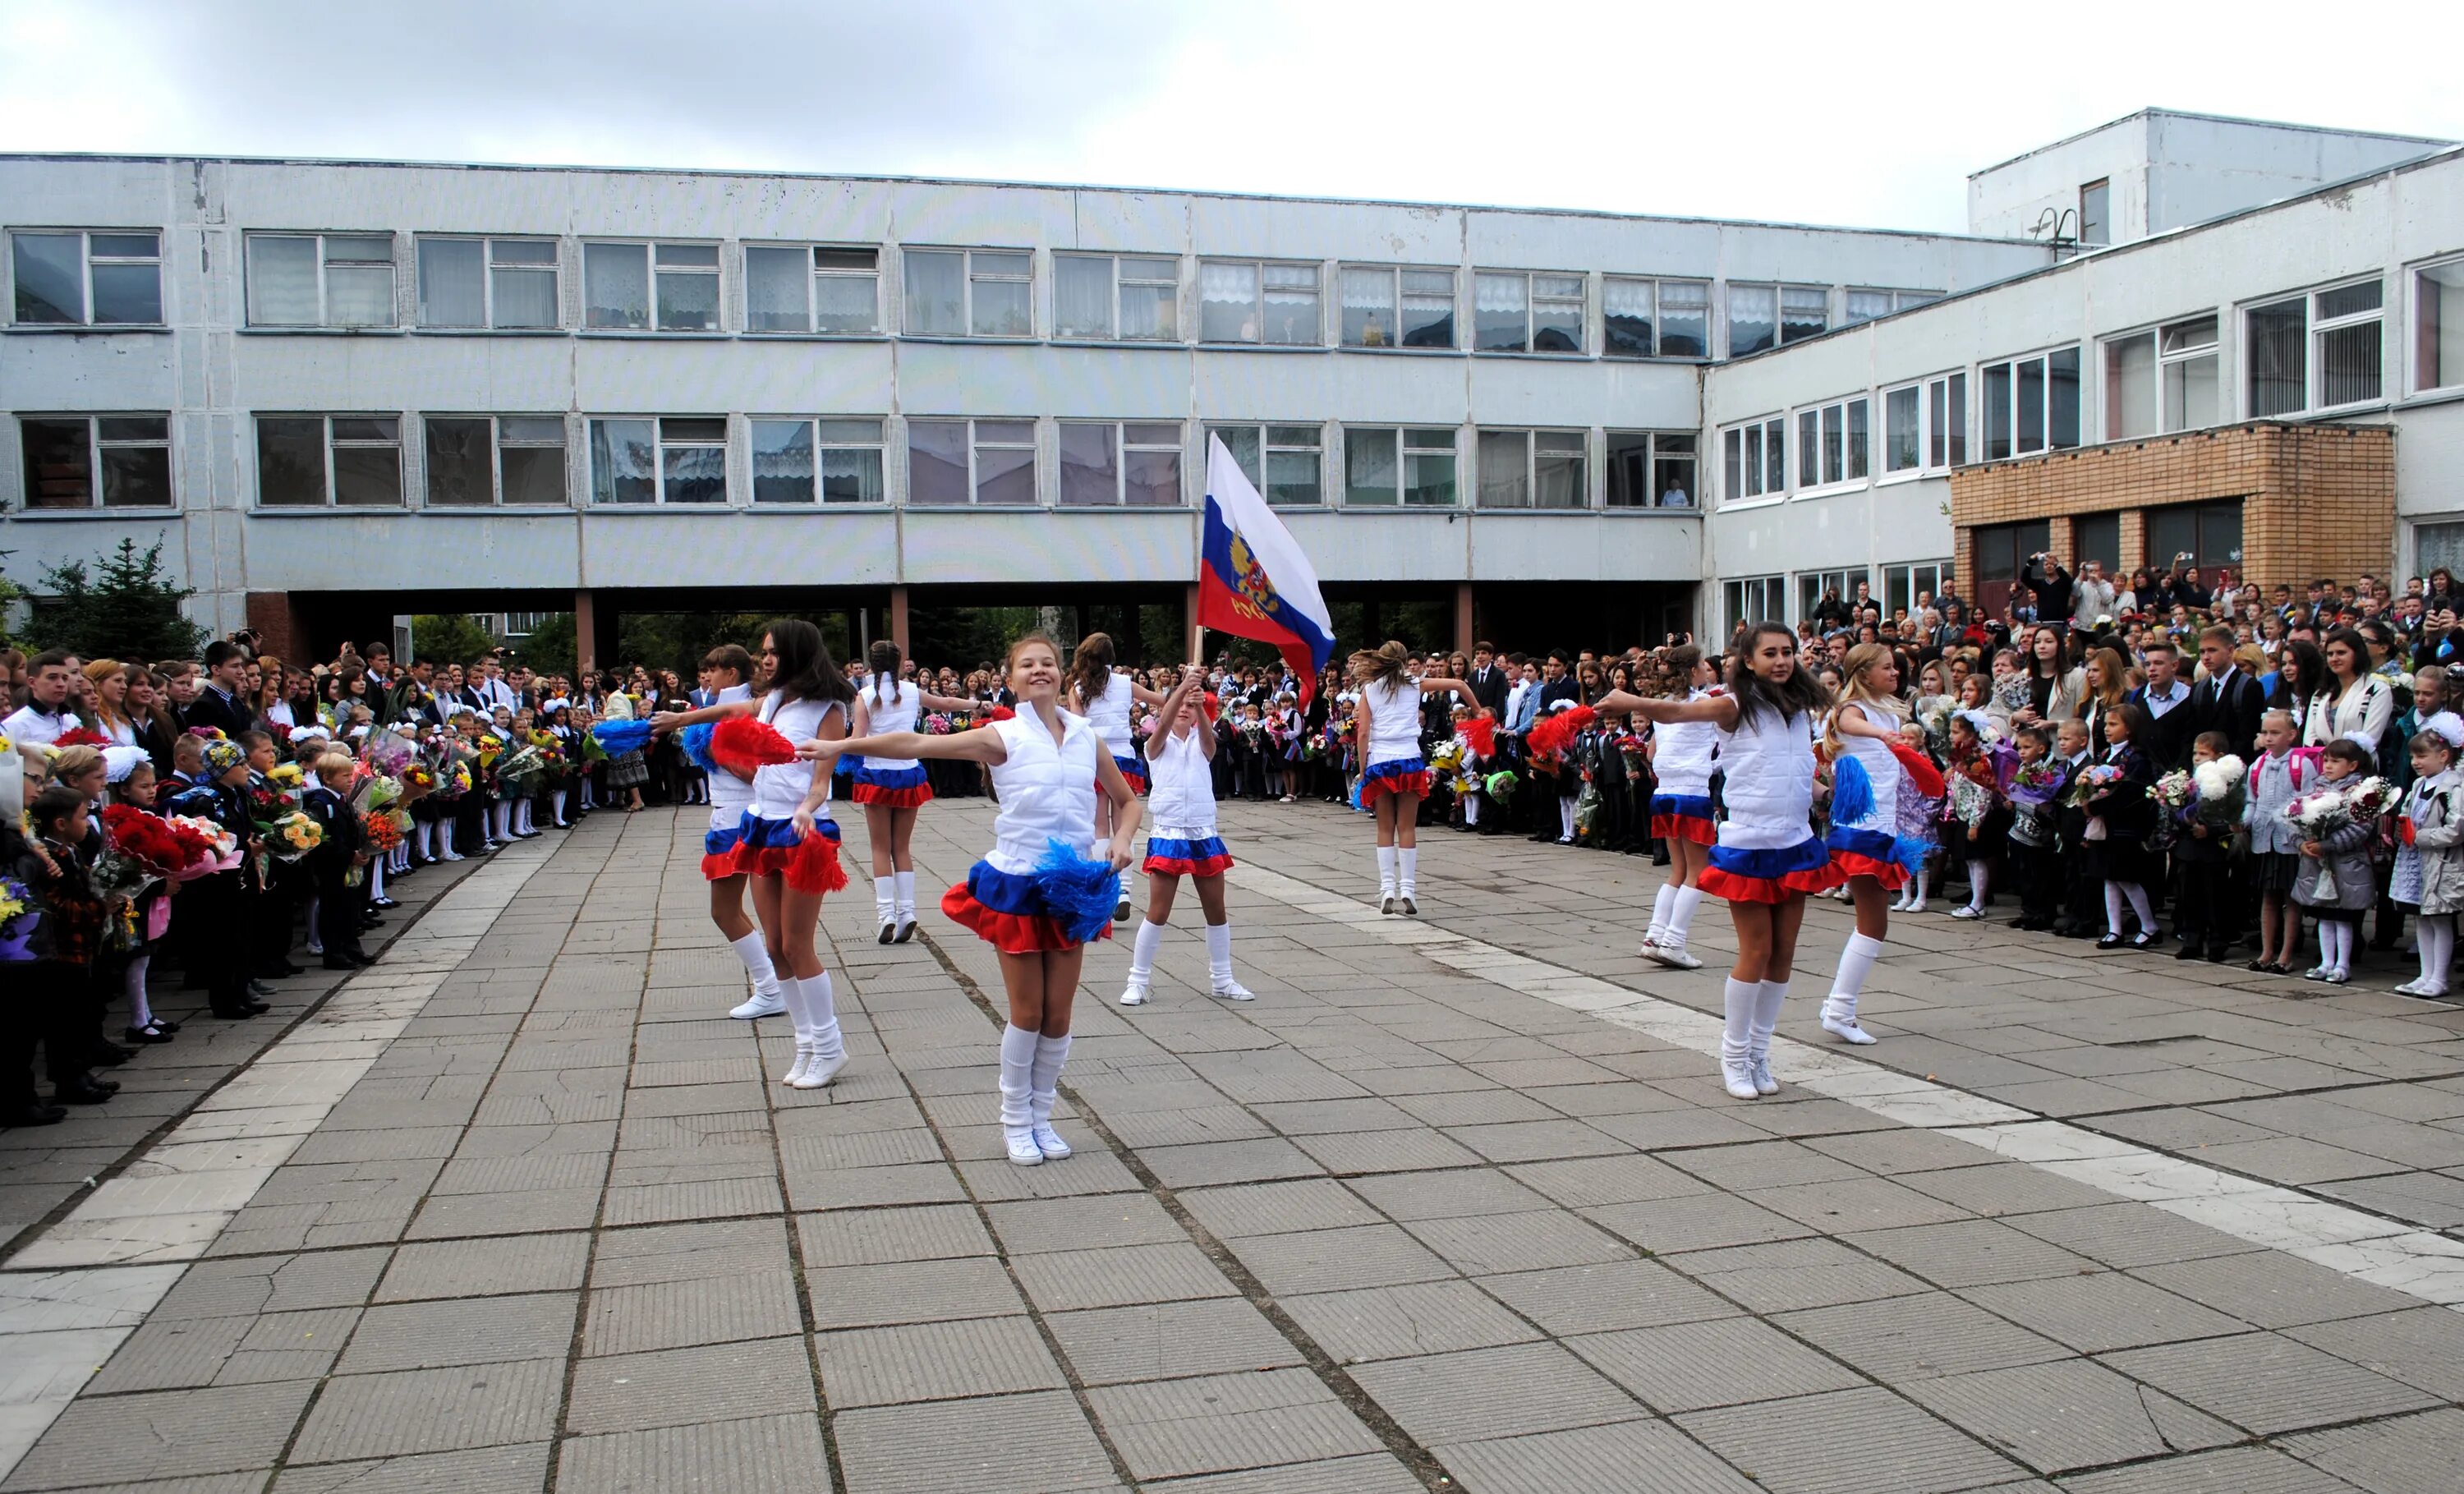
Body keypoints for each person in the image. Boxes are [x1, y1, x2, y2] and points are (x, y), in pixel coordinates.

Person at [804, 632, 1142, 1166]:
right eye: (1026, 664)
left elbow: (1126, 802)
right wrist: (843, 746)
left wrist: (1122, 841)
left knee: (1060, 1013)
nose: (1039, 670)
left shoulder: (1084, 735)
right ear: (1009, 680)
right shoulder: (1001, 736)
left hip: (1075, 885)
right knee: (1028, 1011)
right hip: (1019, 885)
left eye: (1048, 662)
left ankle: (1043, 1115)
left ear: (1062, 674)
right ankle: (1015, 1121)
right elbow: (914, 744)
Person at [1597, 623, 1839, 1101]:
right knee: (1756, 951)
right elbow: (1679, 710)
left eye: (1788, 651)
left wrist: (1829, 793)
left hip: (1795, 843)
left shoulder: (1796, 712)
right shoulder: (1734, 705)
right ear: (1748, 661)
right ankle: (1733, 1053)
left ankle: (1760, 1052)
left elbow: (1797, 771)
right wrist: (1633, 703)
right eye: (1770, 652)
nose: (1782, 660)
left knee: (1783, 955)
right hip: (1748, 845)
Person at [725, 622, 853, 1089]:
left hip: (803, 830)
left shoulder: (830, 709)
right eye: (764, 652)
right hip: (761, 824)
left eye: (775, 652)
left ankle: (830, 1045)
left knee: (799, 945)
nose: (766, 660)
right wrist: (682, 724)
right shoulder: (775, 701)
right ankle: (805, 1046)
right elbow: (737, 725)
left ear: (799, 653)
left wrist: (806, 809)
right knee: (775, 945)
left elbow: (822, 782)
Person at [649, 646, 785, 1019]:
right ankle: (777, 985)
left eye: (713, 670)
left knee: (730, 910)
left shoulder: (741, 710)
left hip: (742, 819)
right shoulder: (720, 706)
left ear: (733, 674)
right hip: (730, 816)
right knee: (743, 911)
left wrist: (723, 754)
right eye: (704, 670)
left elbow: (758, 771)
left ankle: (773, 987)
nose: (705, 677)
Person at [1119, 650, 1253, 1006]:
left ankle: (1223, 979)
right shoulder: (1155, 745)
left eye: (1189, 709)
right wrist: (1185, 685)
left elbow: (1210, 743)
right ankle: (1138, 980)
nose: (1183, 711)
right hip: (1169, 833)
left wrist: (1200, 704)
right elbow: (1162, 724)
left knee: (1216, 910)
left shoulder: (1202, 742)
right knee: (1158, 911)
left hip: (1203, 832)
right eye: (1178, 707)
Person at [1815, 643, 1924, 1045]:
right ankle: (1840, 1009)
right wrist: (1883, 735)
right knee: (1873, 924)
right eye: (1885, 667)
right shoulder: (1853, 710)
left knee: (1875, 923)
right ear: (1863, 672)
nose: (1894, 672)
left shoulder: (1883, 709)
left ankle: (1839, 1008)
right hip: (1862, 830)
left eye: (1895, 667)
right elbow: (1849, 720)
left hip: (1880, 827)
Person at [850, 639, 981, 944]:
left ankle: (886, 914)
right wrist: (977, 704)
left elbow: (856, 739)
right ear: (899, 664)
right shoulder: (911, 691)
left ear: (871, 665)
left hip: (875, 774)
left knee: (879, 849)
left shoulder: (865, 695)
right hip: (909, 772)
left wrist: (834, 748)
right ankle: (907, 911)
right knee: (902, 848)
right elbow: (946, 704)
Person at [1349, 641, 1473, 915]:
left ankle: (1386, 889)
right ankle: (1409, 889)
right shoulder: (1416, 683)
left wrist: (1362, 768)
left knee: (1384, 828)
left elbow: (1363, 734)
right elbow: (1461, 686)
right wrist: (1479, 710)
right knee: (1407, 827)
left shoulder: (1370, 689)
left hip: (1380, 761)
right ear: (1406, 661)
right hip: (1409, 760)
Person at [1065, 632, 1168, 922]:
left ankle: (1103, 890)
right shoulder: (1126, 683)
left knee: (1098, 825)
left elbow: (1077, 727)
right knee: (1122, 826)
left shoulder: (1078, 688)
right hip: (1124, 758)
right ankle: (1124, 890)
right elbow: (1162, 700)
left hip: (1095, 758)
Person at [1640, 645, 1717, 970]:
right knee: (1698, 872)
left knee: (1678, 870)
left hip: (1665, 793)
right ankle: (1674, 940)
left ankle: (1655, 935)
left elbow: (1650, 755)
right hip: (1691, 792)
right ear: (1694, 671)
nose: (1706, 668)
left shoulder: (1663, 707)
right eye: (1703, 664)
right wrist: (1711, 765)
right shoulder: (1705, 704)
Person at [2291, 738, 2379, 984]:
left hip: (2346, 865)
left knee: (2343, 917)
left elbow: (2360, 829)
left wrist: (2326, 844)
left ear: (2352, 766)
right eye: (2326, 760)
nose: (2327, 766)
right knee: (2324, 916)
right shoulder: (2316, 789)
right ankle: (2326, 962)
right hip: (2319, 864)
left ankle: (2343, 964)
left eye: (2335, 761)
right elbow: (2297, 818)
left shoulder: (2360, 793)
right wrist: (2302, 842)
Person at [2395, 715, 2464, 996]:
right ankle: (2425, 974)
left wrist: (2421, 837)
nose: (2415, 762)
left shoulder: (2453, 787)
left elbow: (2457, 829)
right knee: (2421, 918)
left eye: (2422, 755)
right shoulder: (2418, 785)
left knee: (2440, 918)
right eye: (2413, 756)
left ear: (2444, 755)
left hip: (2443, 862)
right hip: (2417, 860)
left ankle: (2439, 977)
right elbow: (2410, 812)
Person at [2084, 703, 2161, 950]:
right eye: (2106, 724)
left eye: (2114, 724)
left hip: (2125, 828)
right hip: (2106, 826)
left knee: (2126, 878)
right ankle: (2114, 929)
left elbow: (2131, 793)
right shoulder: (2106, 755)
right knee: (2109, 878)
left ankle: (2149, 926)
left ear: (2129, 729)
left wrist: (2095, 806)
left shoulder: (2136, 757)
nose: (2107, 729)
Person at [303, 750, 374, 969]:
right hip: (332, 867)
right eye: (345, 776)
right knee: (333, 910)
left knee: (350, 908)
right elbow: (323, 839)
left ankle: (351, 947)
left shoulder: (343, 800)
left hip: (348, 864)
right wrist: (348, 854)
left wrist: (362, 850)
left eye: (350, 775)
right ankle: (334, 952)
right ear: (327, 778)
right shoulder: (321, 803)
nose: (350, 780)